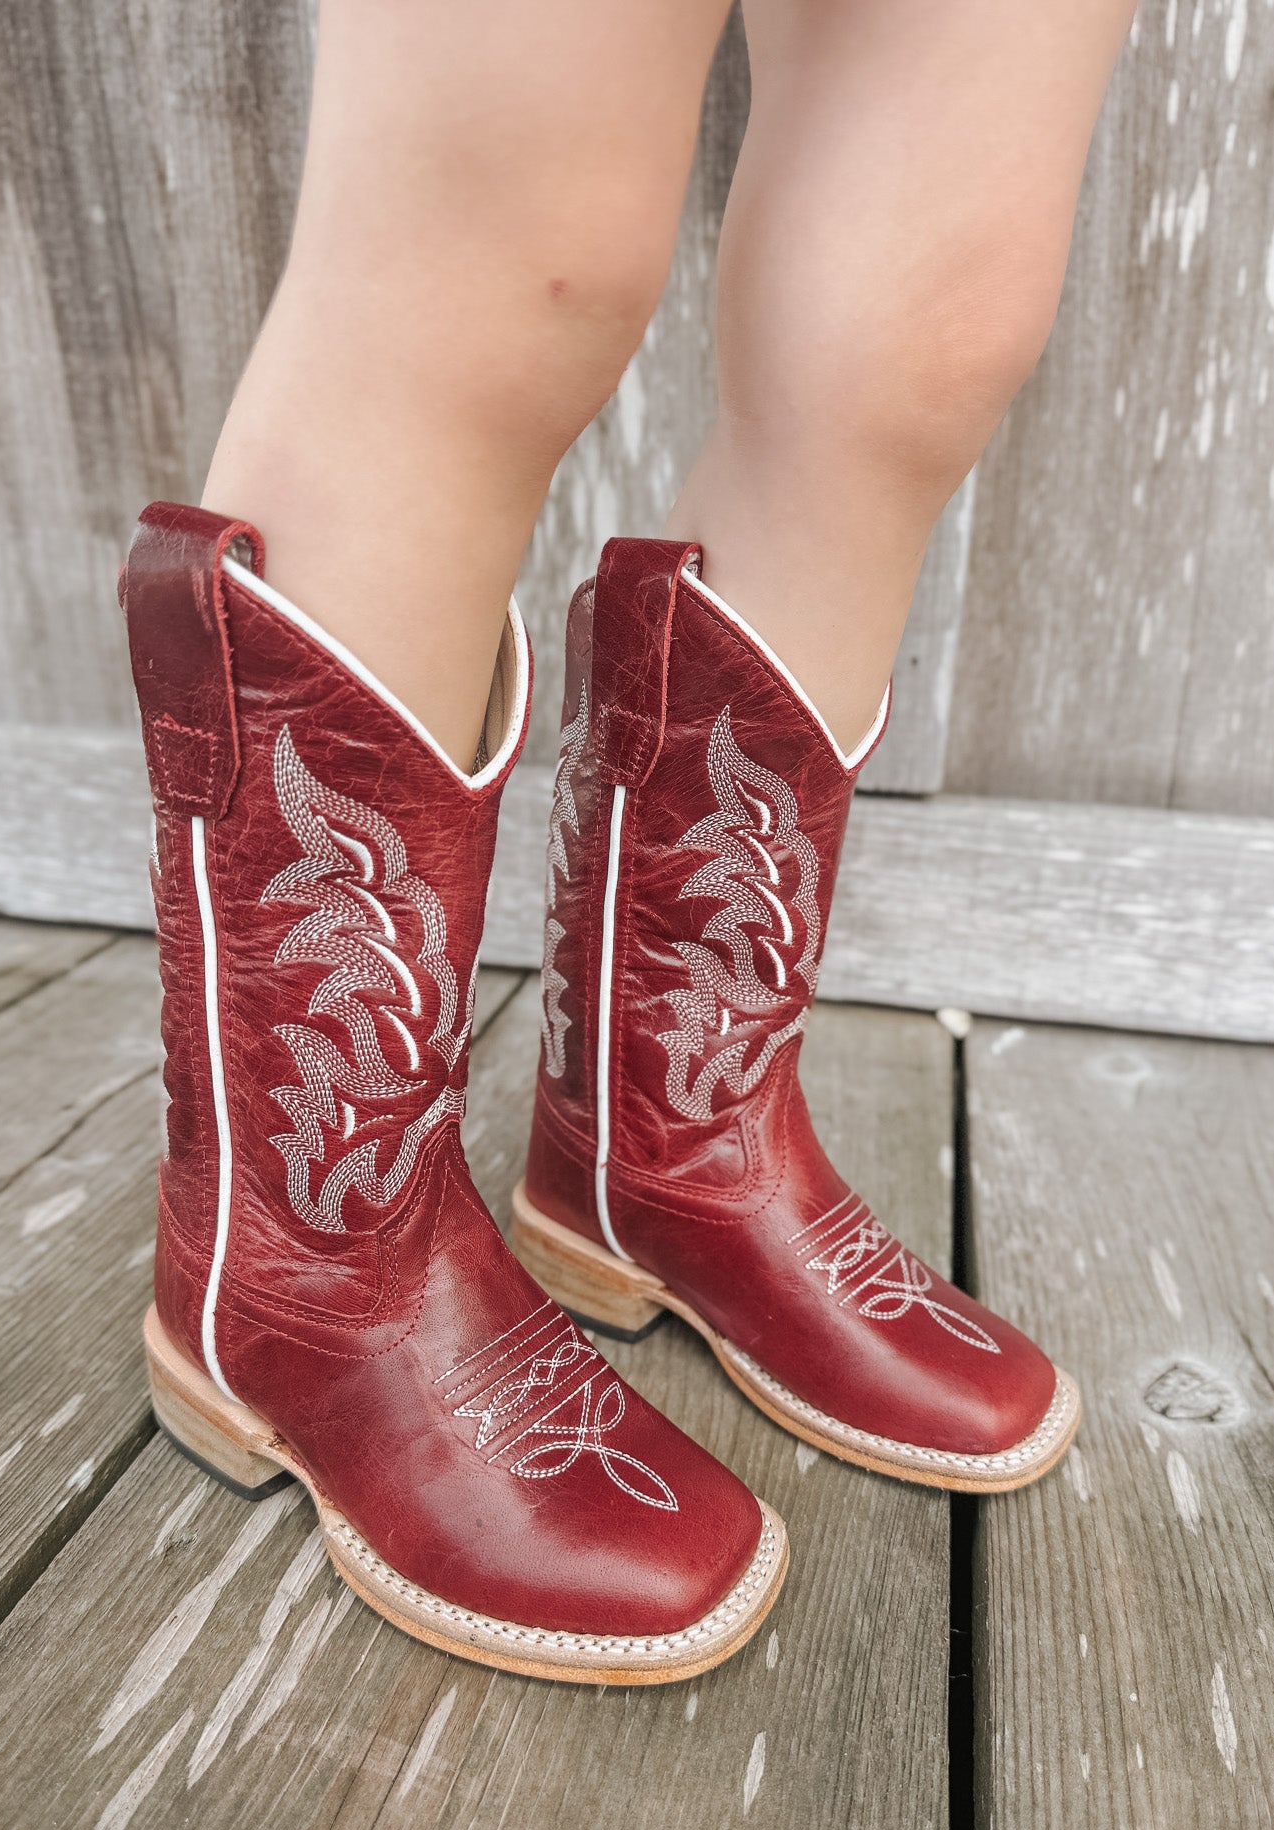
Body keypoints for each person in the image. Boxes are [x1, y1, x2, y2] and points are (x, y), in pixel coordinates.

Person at [124, 0, 1127, 1684]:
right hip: (316, 1273)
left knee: (936, 313)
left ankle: (667, 1150)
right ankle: (301, 1282)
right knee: (512, 246)